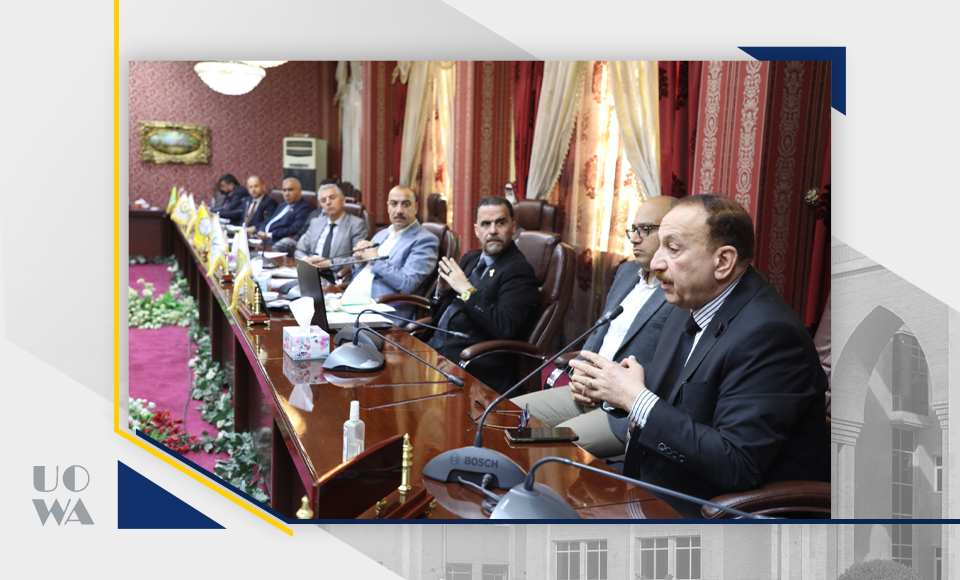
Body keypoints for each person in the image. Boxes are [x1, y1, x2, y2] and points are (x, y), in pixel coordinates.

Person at [570, 194, 829, 518]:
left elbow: (736, 465)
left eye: (673, 249)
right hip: (653, 484)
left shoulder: (771, 334)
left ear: (723, 262)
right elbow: (673, 407)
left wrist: (634, 397)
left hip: (720, 516)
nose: (656, 264)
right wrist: (611, 389)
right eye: (659, 247)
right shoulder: (687, 304)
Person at [512, 195, 676, 457]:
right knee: (505, 416)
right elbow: (601, 331)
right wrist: (579, 372)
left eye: (645, 230)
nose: (634, 239)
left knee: (545, 448)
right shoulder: (626, 272)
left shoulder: (679, 290)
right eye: (633, 230)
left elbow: (670, 372)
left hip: (621, 413)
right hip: (584, 392)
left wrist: (610, 389)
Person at [422, 196, 540, 394]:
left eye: (500, 223)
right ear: (477, 230)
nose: (492, 230)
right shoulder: (471, 259)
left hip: (468, 365)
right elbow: (443, 315)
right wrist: (441, 291)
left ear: (513, 227)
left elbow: (506, 327)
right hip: (433, 350)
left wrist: (466, 290)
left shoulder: (518, 271)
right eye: (486, 224)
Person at [339, 186, 438, 319]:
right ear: (388, 207)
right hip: (352, 305)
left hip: (382, 312)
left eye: (405, 204)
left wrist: (374, 260)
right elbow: (361, 273)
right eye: (394, 204)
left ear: (416, 207)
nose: (399, 210)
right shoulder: (382, 234)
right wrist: (359, 261)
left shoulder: (425, 240)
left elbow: (407, 284)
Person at [293, 184, 369, 278]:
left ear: (343, 200)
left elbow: (359, 259)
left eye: (332, 198)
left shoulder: (356, 225)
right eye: (323, 200)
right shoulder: (315, 223)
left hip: (335, 276)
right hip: (311, 273)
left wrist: (329, 263)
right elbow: (299, 250)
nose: (328, 203)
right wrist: (306, 260)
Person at [251, 177, 311, 243]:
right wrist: (260, 231)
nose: (287, 194)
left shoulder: (303, 208)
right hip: (262, 238)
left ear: (299, 191)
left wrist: (270, 235)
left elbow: (294, 229)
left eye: (290, 190)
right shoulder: (282, 205)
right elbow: (270, 221)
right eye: (284, 190)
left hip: (276, 240)